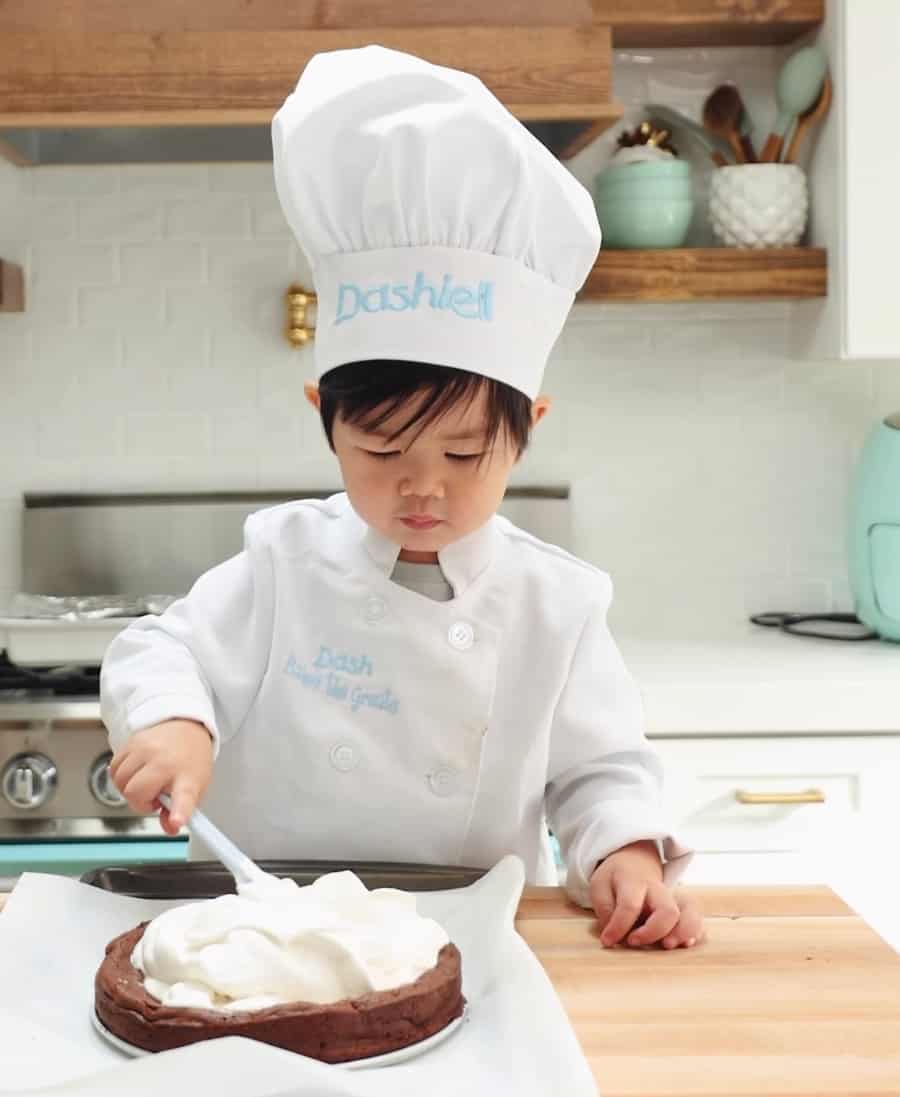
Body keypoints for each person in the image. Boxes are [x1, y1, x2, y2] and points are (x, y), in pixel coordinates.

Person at [102, 45, 704, 951]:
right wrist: (177, 723)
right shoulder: (283, 562)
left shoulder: (558, 604)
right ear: (324, 417)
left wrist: (625, 853)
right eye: (381, 449)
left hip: (466, 947)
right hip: (273, 939)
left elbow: (598, 770)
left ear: (529, 423)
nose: (424, 484)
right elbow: (162, 648)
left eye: (466, 452)